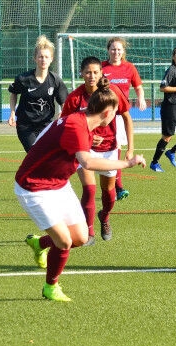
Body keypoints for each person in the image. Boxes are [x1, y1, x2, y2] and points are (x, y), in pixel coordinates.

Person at [20, 78, 146, 301]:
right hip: (34, 187)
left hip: (59, 184)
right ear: (107, 112)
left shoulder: (84, 122)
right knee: (64, 242)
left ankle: (39, 243)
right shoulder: (76, 125)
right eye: (115, 113)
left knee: (80, 238)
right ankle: (51, 287)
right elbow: (87, 162)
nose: (116, 117)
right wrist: (127, 163)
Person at [61, 56, 135, 245]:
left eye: (95, 72)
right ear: (81, 74)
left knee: (109, 192)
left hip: (109, 149)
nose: (92, 76)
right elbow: (64, 124)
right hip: (84, 150)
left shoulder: (113, 92)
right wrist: (85, 137)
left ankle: (105, 217)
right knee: (89, 189)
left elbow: (127, 117)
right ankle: (89, 232)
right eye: (88, 72)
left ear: (101, 73)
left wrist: (130, 148)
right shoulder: (75, 98)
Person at [102, 37, 147, 200]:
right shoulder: (101, 67)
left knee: (116, 148)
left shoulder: (129, 68)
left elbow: (138, 86)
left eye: (119, 49)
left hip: (120, 116)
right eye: (113, 49)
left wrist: (141, 98)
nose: (116, 52)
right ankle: (112, 186)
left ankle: (117, 187)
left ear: (123, 51)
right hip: (103, 115)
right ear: (108, 50)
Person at [8, 35, 68, 151]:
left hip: (46, 125)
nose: (43, 60)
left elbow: (64, 101)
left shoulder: (55, 80)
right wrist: (12, 113)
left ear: (51, 59)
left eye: (46, 57)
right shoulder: (23, 78)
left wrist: (63, 113)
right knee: (35, 152)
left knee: (46, 155)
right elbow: (14, 93)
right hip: (26, 126)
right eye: (40, 57)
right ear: (35, 58)